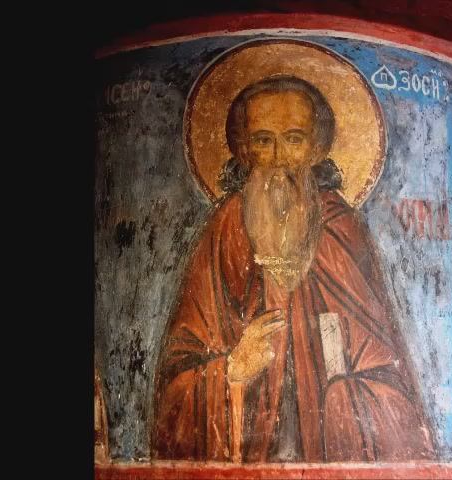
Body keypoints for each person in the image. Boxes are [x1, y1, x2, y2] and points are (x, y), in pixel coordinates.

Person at [151, 75, 435, 462]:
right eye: (263, 140)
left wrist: (344, 396)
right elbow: (177, 379)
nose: (280, 157)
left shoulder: (340, 228)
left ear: (316, 149)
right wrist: (232, 369)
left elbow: (388, 376)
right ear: (244, 150)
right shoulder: (225, 230)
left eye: (294, 139)